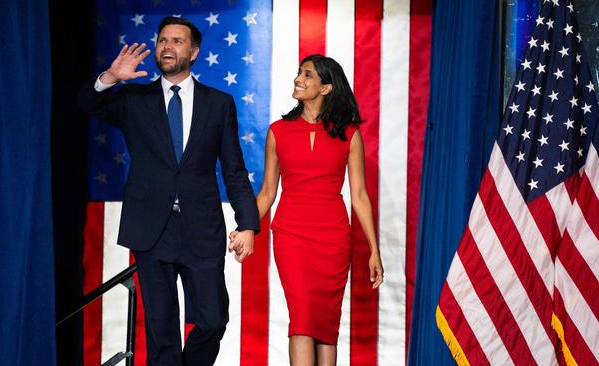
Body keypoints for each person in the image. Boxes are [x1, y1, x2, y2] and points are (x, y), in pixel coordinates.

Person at [78, 16, 259, 366]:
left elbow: (234, 168)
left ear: (194, 52)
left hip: (202, 228)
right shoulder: (134, 98)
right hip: (151, 229)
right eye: (162, 40)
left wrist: (247, 223)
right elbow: (87, 104)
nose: (167, 46)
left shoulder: (219, 104)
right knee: (162, 330)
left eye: (177, 41)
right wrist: (111, 78)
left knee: (212, 320)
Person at [230, 54, 384, 365]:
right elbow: (268, 192)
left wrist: (374, 251)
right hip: (291, 235)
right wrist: (246, 225)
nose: (298, 79)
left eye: (307, 75)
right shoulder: (278, 131)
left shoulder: (349, 134)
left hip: (334, 238)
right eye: (299, 73)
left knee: (326, 325)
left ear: (326, 88)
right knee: (302, 318)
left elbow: (360, 196)